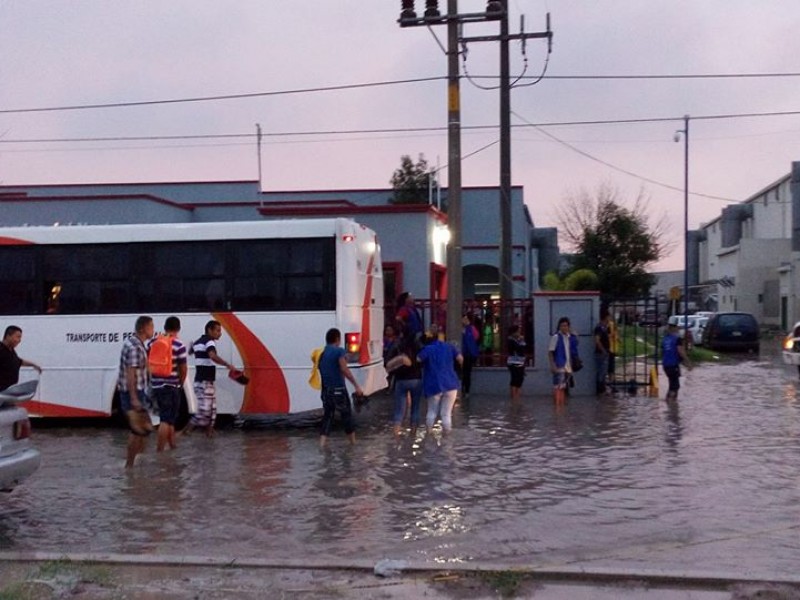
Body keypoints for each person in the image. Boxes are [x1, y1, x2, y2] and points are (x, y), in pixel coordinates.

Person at [183, 320, 236, 438]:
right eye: (217, 331)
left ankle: (209, 435)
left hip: (203, 381)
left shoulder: (198, 342)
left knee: (211, 410)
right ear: (209, 330)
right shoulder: (209, 342)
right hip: (204, 382)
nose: (220, 334)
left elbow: (191, 351)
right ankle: (186, 431)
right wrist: (227, 364)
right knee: (205, 411)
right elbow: (212, 355)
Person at [117, 316, 155, 468]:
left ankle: (138, 461)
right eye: (151, 326)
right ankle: (130, 465)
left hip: (139, 391)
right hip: (134, 392)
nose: (153, 329)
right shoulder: (135, 347)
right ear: (142, 329)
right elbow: (130, 373)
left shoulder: (135, 344)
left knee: (145, 429)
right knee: (138, 430)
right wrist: (134, 397)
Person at [319, 328, 364, 447]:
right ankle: (353, 444)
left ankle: (322, 445)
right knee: (347, 417)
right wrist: (356, 385)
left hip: (326, 391)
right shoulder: (339, 351)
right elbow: (344, 369)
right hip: (338, 390)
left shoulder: (322, 353)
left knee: (328, 417)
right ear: (337, 339)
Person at [147, 316, 187, 452]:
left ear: (164, 327)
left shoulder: (152, 342)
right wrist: (180, 383)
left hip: (157, 385)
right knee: (165, 419)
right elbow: (183, 368)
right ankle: (160, 450)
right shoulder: (179, 345)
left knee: (170, 418)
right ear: (178, 328)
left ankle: (172, 446)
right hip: (172, 385)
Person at [418, 324, 463, 434]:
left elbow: (418, 359)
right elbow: (460, 359)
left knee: (432, 411)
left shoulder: (428, 349)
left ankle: (428, 435)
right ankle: (447, 437)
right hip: (451, 383)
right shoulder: (450, 347)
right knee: (446, 414)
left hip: (434, 384)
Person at [384, 333, 423, 436]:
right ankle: (413, 434)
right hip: (416, 379)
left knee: (399, 410)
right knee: (415, 408)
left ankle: (396, 435)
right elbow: (422, 362)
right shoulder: (418, 347)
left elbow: (387, 364)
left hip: (401, 380)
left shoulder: (397, 346)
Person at [0, 325, 42, 392]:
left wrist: (33, 365)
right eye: (18, 337)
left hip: (8, 392)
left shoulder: (11, 350)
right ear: (8, 336)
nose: (19, 340)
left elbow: (18, 361)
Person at [662, 322, 692, 400]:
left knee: (672, 385)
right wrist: (688, 363)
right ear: (674, 329)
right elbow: (680, 352)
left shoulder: (665, 339)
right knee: (675, 386)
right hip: (673, 365)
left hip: (666, 365)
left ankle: (671, 405)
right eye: (677, 328)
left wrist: (683, 363)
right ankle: (671, 405)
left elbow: (668, 352)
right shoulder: (677, 339)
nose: (679, 329)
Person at [548, 317, 574, 404]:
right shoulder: (556, 337)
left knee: (562, 387)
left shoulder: (568, 337)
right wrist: (553, 365)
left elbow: (569, 352)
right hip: (558, 365)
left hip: (566, 366)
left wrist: (570, 367)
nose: (564, 327)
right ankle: (557, 408)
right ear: (559, 327)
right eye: (562, 326)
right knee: (558, 387)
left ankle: (560, 407)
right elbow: (550, 352)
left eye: (566, 326)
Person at [460, 314, 480, 399]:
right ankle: (463, 390)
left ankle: (466, 390)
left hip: (468, 354)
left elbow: (475, 338)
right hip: (462, 353)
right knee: (462, 373)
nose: (463, 320)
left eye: (465, 318)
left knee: (466, 373)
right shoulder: (460, 328)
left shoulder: (471, 329)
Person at [594, 309, 612, 396]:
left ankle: (602, 389)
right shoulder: (599, 328)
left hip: (604, 353)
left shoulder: (605, 327)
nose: (610, 318)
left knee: (603, 371)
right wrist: (603, 351)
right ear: (605, 317)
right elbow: (597, 340)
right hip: (601, 354)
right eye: (609, 316)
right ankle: (600, 390)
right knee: (601, 371)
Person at [506, 324, 526, 400]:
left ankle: (518, 397)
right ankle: (513, 398)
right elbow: (518, 349)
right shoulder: (510, 340)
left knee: (520, 380)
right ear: (513, 332)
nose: (519, 333)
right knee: (514, 380)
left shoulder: (519, 340)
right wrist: (520, 341)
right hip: (513, 363)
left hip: (520, 363)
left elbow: (523, 349)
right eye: (517, 332)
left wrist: (521, 341)